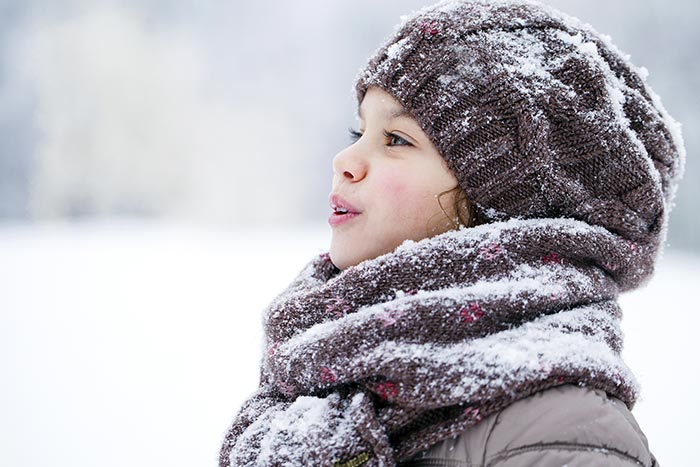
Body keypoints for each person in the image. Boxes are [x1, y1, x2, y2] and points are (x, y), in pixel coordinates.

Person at [219, 0, 685, 466]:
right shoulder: (321, 362)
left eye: (396, 140)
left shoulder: (560, 424)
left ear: (505, 203)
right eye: (357, 132)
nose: (345, 161)